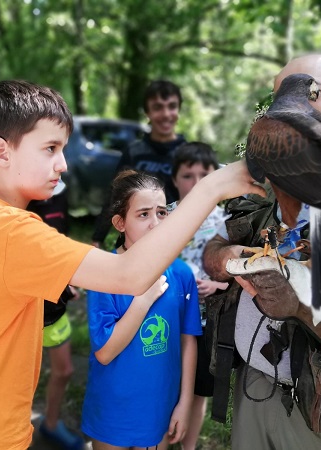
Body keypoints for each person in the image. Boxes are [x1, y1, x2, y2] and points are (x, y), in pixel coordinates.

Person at [0, 79, 263, 450]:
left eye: (63, 148)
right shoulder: (15, 231)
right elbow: (130, 275)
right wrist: (211, 188)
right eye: (50, 148)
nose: (63, 163)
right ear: (2, 152)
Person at [202, 53, 321, 450]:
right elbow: (214, 242)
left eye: (316, 91)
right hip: (255, 384)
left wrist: (297, 303)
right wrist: (228, 259)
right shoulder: (268, 170)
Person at [81, 169, 201, 449]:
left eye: (162, 212)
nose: (155, 223)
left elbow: (188, 341)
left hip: (160, 409)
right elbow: (105, 352)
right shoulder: (102, 272)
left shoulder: (181, 273)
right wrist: (143, 299)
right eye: (143, 214)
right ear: (120, 223)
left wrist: (184, 404)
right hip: (113, 412)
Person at [168, 142, 229, 450]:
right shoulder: (163, 217)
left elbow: (237, 274)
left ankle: (189, 445)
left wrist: (216, 287)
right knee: (169, 385)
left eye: (203, 175)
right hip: (169, 320)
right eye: (187, 175)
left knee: (198, 389)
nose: (195, 183)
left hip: (207, 322)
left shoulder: (224, 221)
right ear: (175, 178)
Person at [91, 79, 186, 248]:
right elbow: (114, 196)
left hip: (175, 245)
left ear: (179, 110)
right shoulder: (134, 153)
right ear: (147, 113)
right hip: (133, 245)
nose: (165, 113)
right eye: (157, 107)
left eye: (171, 106)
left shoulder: (188, 154)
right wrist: (98, 238)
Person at [27, 180, 85, 450]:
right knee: (19, 376)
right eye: (49, 149)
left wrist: (67, 279)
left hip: (54, 305)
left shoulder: (60, 192)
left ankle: (50, 425)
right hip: (23, 306)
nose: (59, 162)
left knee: (64, 370)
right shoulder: (13, 198)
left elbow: (60, 242)